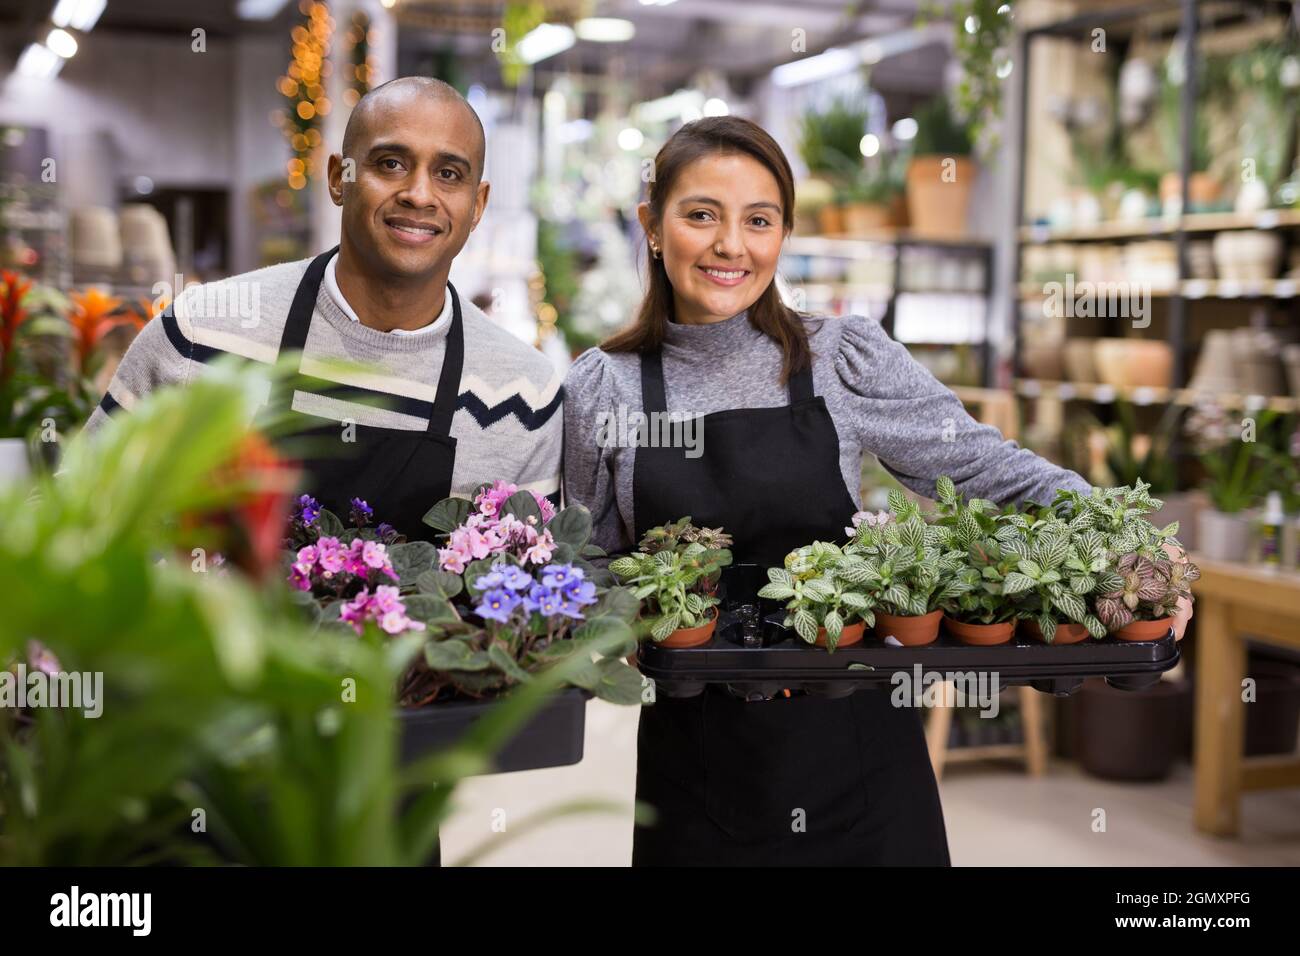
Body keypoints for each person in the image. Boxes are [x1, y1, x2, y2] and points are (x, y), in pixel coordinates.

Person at [562, 115, 1192, 866]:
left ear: (783, 233)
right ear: (653, 227)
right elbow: (589, 559)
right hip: (695, 762)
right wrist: (619, 630)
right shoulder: (604, 388)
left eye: (759, 220)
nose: (732, 245)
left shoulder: (839, 358)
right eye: (702, 215)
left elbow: (987, 468)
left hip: (857, 752)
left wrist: (1134, 543)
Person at [87, 77, 563, 538]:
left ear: (477, 204)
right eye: (391, 163)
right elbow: (76, 510)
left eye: (449, 174)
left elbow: (531, 595)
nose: (419, 194)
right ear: (339, 178)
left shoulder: (523, 398)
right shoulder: (200, 335)